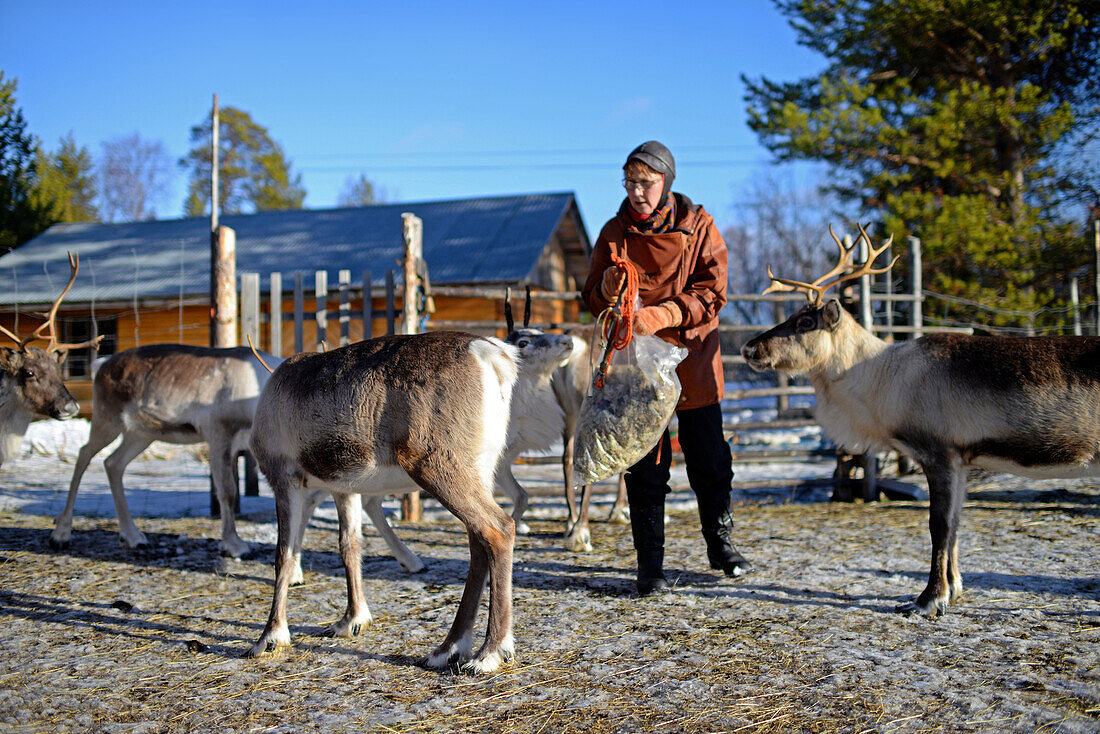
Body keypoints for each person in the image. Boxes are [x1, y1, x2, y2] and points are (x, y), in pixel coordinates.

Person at [581, 140, 752, 596]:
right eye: (629, 182)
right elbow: (591, 299)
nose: (636, 192)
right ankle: (650, 566)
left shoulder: (699, 228)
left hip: (693, 358)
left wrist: (666, 314)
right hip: (639, 365)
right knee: (645, 464)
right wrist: (606, 285)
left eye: (646, 183)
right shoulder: (614, 233)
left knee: (710, 458)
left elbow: (713, 291)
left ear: (666, 183)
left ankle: (720, 544)